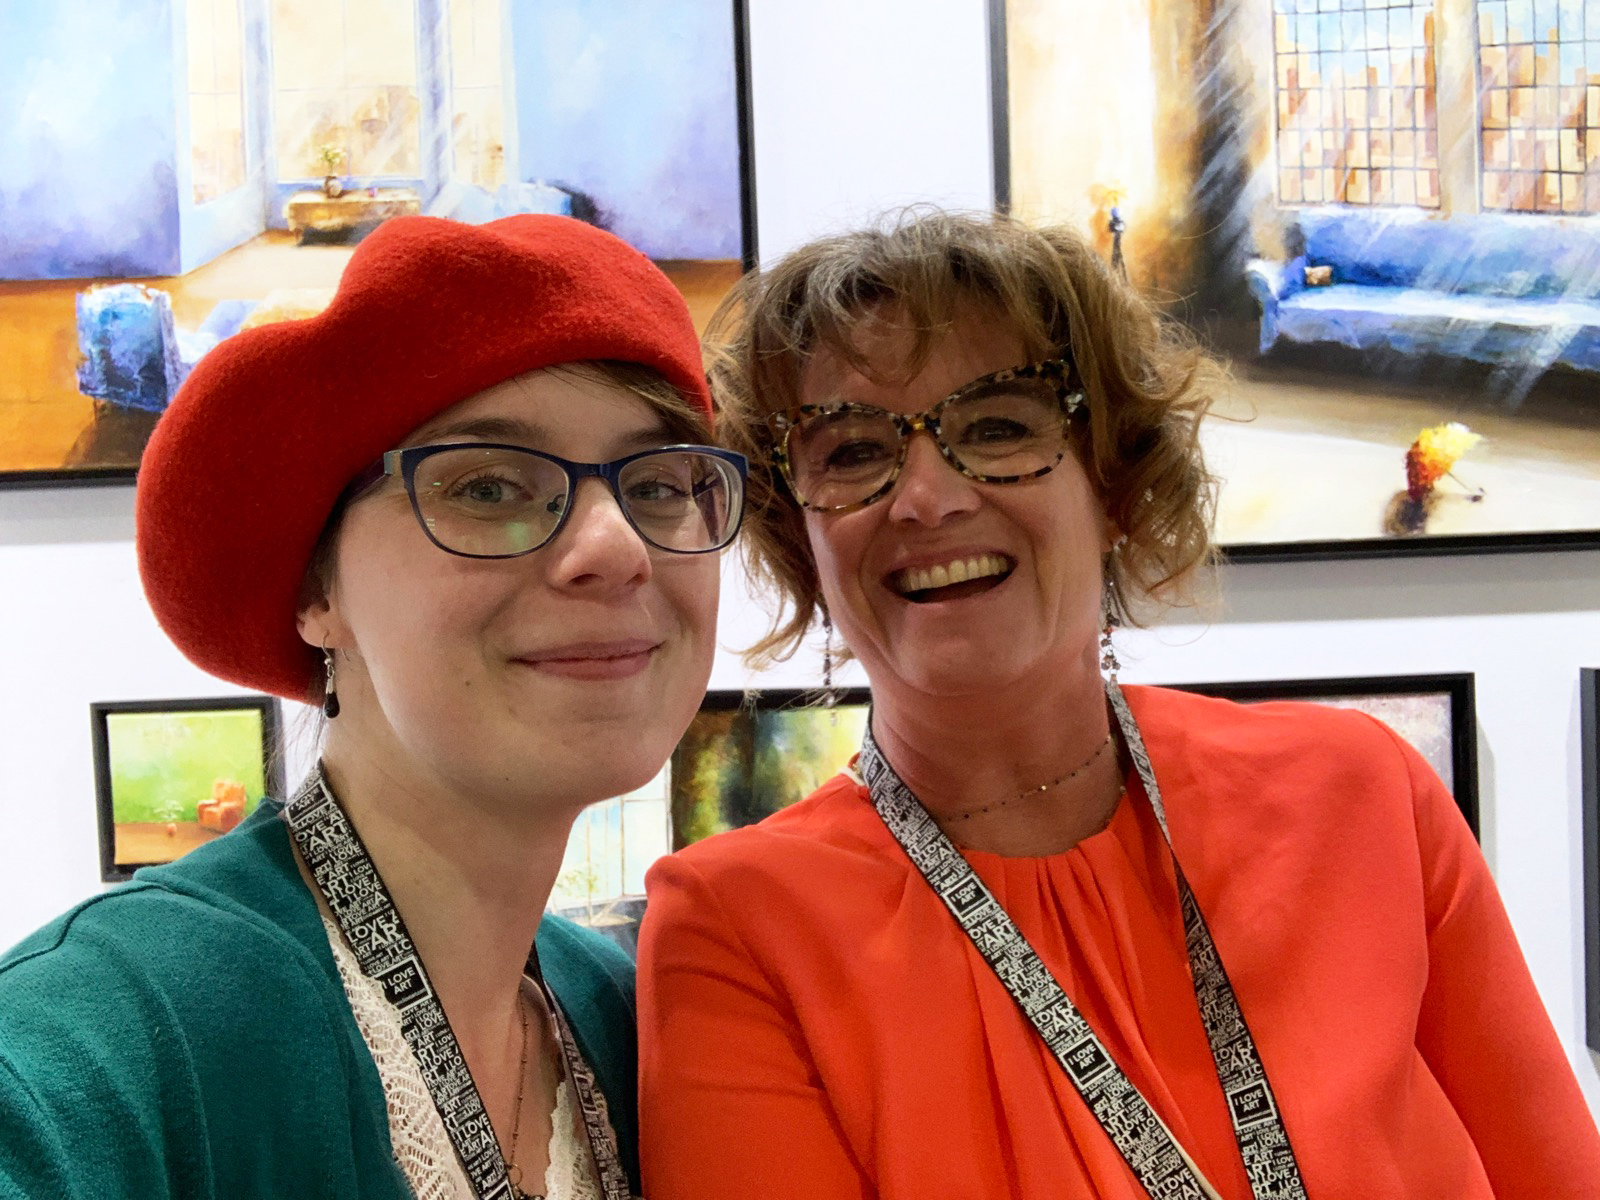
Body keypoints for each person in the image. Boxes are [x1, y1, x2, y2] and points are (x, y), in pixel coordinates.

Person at [635, 210, 1600, 1198]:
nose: (926, 497)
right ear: (798, 535)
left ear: (1116, 485)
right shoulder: (738, 931)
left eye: (997, 427)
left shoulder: (1362, 795)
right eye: (850, 452)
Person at [0, 214, 746, 1199]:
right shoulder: (107, 1034)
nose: (617, 548)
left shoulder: (618, 1013)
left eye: (657, 485)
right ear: (318, 591)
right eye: (489, 487)